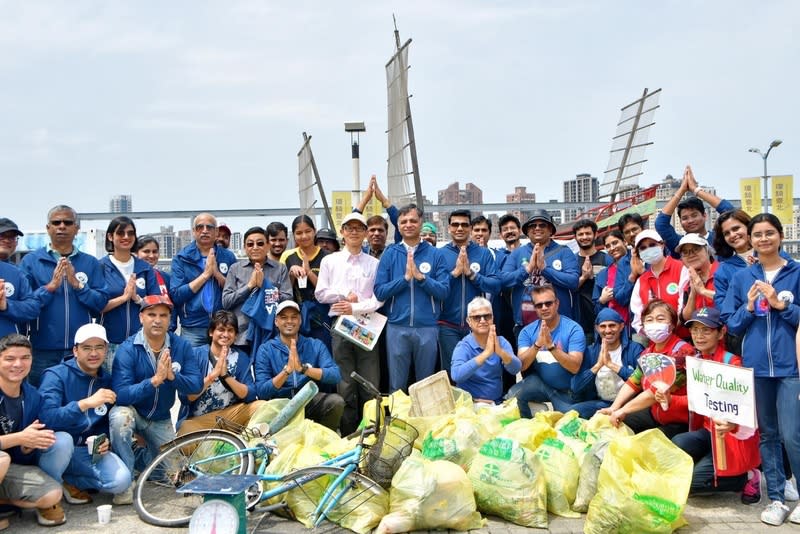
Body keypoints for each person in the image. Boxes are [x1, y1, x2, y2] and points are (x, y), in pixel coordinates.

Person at [723, 213, 800, 526]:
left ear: (780, 236)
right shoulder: (744, 278)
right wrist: (750, 306)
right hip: (757, 368)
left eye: (770, 233)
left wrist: (783, 306)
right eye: (758, 234)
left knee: (793, 435)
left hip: (790, 366)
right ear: (751, 240)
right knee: (768, 435)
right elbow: (732, 323)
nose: (764, 239)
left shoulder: (796, 272)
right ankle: (777, 499)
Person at [109, 295, 203, 483]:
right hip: (134, 411)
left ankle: (138, 458)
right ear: (141, 317)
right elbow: (121, 395)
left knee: (176, 478)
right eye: (152, 314)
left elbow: (196, 384)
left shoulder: (181, 345)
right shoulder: (128, 348)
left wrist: (172, 377)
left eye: (163, 315)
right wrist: (154, 381)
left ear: (170, 319)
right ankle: (126, 482)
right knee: (120, 419)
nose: (158, 320)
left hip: (160, 417)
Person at [670, 308, 761, 500]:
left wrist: (733, 424)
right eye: (694, 330)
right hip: (708, 431)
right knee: (678, 443)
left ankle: (747, 476)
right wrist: (669, 399)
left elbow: (747, 407)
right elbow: (696, 400)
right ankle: (711, 467)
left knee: (693, 484)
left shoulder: (733, 363)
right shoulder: (696, 361)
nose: (699, 336)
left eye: (706, 330)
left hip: (730, 436)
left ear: (721, 333)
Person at [38, 323, 132, 506]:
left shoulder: (105, 379)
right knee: (63, 441)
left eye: (99, 347)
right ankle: (50, 491)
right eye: (86, 348)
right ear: (75, 350)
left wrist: (105, 440)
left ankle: (69, 480)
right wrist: (85, 404)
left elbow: (104, 418)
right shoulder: (55, 375)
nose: (93, 353)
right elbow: (46, 418)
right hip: (54, 450)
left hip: (85, 451)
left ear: (106, 350)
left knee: (122, 481)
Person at [20, 205, 109, 386]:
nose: (62, 226)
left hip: (80, 349)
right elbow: (25, 305)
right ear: (48, 228)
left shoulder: (89, 262)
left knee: (79, 398)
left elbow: (100, 302)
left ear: (76, 228)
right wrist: (50, 287)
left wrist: (78, 285)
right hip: (43, 348)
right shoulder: (31, 261)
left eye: (68, 223)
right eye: (56, 222)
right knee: (42, 400)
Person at [314, 213, 382, 436]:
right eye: (349, 228)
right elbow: (321, 293)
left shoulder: (374, 263)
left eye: (359, 228)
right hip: (341, 325)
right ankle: (349, 435)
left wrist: (356, 307)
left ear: (365, 233)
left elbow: (379, 298)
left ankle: (371, 432)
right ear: (342, 232)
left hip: (367, 325)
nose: (354, 231)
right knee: (345, 381)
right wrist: (344, 295)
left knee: (370, 380)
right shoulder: (330, 261)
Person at [374, 204, 449, 393]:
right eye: (404, 221)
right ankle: (395, 421)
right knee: (396, 384)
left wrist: (422, 278)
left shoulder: (435, 254)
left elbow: (444, 291)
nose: (408, 224)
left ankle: (423, 422)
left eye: (413, 220)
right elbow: (380, 291)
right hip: (397, 327)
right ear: (398, 226)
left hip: (427, 328)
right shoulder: (390, 254)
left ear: (421, 223)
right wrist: (405, 279)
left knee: (425, 386)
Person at [600, 299, 696, 439]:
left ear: (672, 324)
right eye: (649, 320)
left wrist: (624, 409)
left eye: (660, 319)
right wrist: (614, 407)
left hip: (679, 421)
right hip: (654, 414)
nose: (654, 324)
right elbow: (634, 381)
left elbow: (656, 392)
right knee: (615, 425)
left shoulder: (683, 352)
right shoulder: (648, 353)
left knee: (649, 443)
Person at [0, 334, 69, 526]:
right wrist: (20, 438)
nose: (18, 364)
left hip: (7, 468)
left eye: (25, 358)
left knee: (52, 494)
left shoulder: (33, 397)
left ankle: (4, 502)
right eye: (10, 359)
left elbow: (19, 457)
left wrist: (27, 446)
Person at [254, 301, 344, 431]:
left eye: (294, 317)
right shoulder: (266, 349)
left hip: (308, 400)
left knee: (336, 402)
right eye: (284, 317)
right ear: (276, 322)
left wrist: (303, 369)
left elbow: (335, 375)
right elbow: (262, 391)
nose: (289, 321)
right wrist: (286, 372)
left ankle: (324, 444)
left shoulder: (315, 345)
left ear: (300, 320)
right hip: (281, 404)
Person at [177, 311, 265, 436]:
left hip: (231, 415)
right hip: (200, 420)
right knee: (185, 436)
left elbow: (250, 395)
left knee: (261, 407)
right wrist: (212, 376)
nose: (225, 334)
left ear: (235, 336)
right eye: (221, 330)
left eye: (230, 330)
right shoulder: (195, 355)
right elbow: (185, 397)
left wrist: (226, 376)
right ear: (211, 332)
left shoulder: (241, 357)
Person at [437, 209, 500, 377]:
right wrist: (455, 274)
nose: (460, 228)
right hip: (447, 324)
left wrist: (472, 275)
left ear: (471, 228)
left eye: (464, 225)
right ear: (449, 228)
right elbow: (436, 288)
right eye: (455, 224)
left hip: (478, 324)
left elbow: (495, 285)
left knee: (479, 371)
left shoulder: (483, 254)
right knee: (452, 373)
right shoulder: (439, 254)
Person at [507, 284, 585, 417]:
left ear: (557, 303)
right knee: (512, 398)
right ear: (535, 308)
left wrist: (551, 347)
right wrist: (537, 345)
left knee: (567, 422)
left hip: (567, 389)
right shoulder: (527, 332)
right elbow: (523, 365)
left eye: (548, 303)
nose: (544, 308)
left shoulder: (573, 329)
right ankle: (528, 428)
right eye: (539, 305)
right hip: (541, 383)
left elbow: (575, 367)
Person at [502, 209, 580, 333]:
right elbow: (504, 280)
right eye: (533, 225)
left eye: (542, 225)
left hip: (559, 326)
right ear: (527, 231)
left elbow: (573, 281)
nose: (537, 228)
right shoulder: (517, 253)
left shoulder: (564, 252)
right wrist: (527, 269)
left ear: (550, 230)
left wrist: (545, 269)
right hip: (525, 326)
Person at [98, 217, 159, 369]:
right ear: (110, 236)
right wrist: (123, 298)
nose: (126, 237)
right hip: (110, 342)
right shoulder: (100, 267)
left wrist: (137, 299)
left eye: (130, 233)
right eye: (121, 233)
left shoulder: (144, 268)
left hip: (141, 342)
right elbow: (95, 306)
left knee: (139, 388)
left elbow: (157, 303)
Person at [170, 212, 237, 347]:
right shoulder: (181, 258)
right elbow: (176, 294)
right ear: (194, 232)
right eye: (200, 227)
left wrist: (217, 274)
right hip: (192, 328)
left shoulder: (228, 257)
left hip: (222, 327)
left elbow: (235, 292)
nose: (205, 231)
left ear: (216, 232)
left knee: (222, 366)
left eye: (209, 227)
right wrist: (205, 275)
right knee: (192, 366)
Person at [222, 226, 291, 354]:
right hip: (241, 335)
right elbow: (226, 302)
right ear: (245, 247)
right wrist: (250, 286)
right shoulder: (235, 269)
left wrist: (265, 288)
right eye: (250, 244)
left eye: (260, 243)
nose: (255, 247)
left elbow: (288, 299)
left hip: (271, 333)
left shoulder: (280, 269)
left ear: (267, 245)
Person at [569, 308, 643, 419]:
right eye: (603, 326)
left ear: (622, 326)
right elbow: (575, 387)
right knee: (572, 412)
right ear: (597, 328)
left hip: (629, 404)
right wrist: (597, 366)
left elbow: (643, 381)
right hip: (601, 403)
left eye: (612, 325)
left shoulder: (635, 349)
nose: (607, 330)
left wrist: (612, 365)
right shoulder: (590, 352)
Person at [450, 297, 520, 404]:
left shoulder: (500, 341)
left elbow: (516, 368)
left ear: (492, 318)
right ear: (469, 321)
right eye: (477, 317)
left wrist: (500, 352)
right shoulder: (464, 346)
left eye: (487, 316)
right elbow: (456, 375)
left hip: (496, 402)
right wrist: (486, 354)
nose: (482, 320)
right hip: (470, 403)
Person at [655, 165, 734, 258]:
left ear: (704, 216)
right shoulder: (679, 243)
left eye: (694, 215)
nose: (690, 221)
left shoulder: (718, 238)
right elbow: (661, 224)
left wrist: (696, 190)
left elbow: (731, 213)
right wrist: (681, 190)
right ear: (680, 222)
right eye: (685, 218)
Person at [281, 215, 331, 350]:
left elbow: (330, 290)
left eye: (308, 231)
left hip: (322, 315)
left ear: (314, 231)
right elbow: (283, 292)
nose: (304, 236)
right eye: (299, 233)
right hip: (297, 315)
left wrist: (309, 273)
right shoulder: (287, 256)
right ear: (294, 235)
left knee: (323, 352)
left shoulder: (328, 257)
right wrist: (291, 274)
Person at [629, 229, 686, 336]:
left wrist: (669, 330)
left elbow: (684, 305)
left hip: (684, 338)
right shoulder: (642, 281)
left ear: (662, 245)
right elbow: (637, 316)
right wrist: (653, 334)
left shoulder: (681, 268)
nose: (648, 249)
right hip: (655, 343)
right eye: (643, 248)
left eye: (652, 245)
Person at [573, 219, 612, 343]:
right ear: (575, 237)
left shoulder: (607, 259)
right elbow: (567, 289)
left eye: (588, 233)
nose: (584, 237)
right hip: (580, 322)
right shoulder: (571, 261)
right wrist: (583, 277)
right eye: (580, 234)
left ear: (595, 235)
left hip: (605, 321)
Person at [593, 230, 634, 325]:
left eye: (615, 243)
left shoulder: (636, 264)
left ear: (624, 241)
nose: (612, 248)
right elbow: (596, 308)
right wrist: (602, 300)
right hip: (611, 327)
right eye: (608, 246)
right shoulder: (603, 274)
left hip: (634, 325)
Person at [136, 235, 177, 331]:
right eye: (146, 251)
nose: (151, 255)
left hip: (165, 331)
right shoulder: (133, 277)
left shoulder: (165, 277)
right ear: (136, 253)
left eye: (155, 252)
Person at [675, 233, 718, 322]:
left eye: (696, 249)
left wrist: (703, 291)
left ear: (707, 250)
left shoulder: (723, 272)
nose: (691, 255)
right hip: (700, 334)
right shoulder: (687, 283)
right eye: (685, 253)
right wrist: (693, 292)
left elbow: (731, 301)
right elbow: (686, 318)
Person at [0, 244, 38, 337]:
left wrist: (6, 305)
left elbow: (33, 309)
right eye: (2, 236)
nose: (7, 240)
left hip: (8, 346)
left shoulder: (15, 272)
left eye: (12, 237)